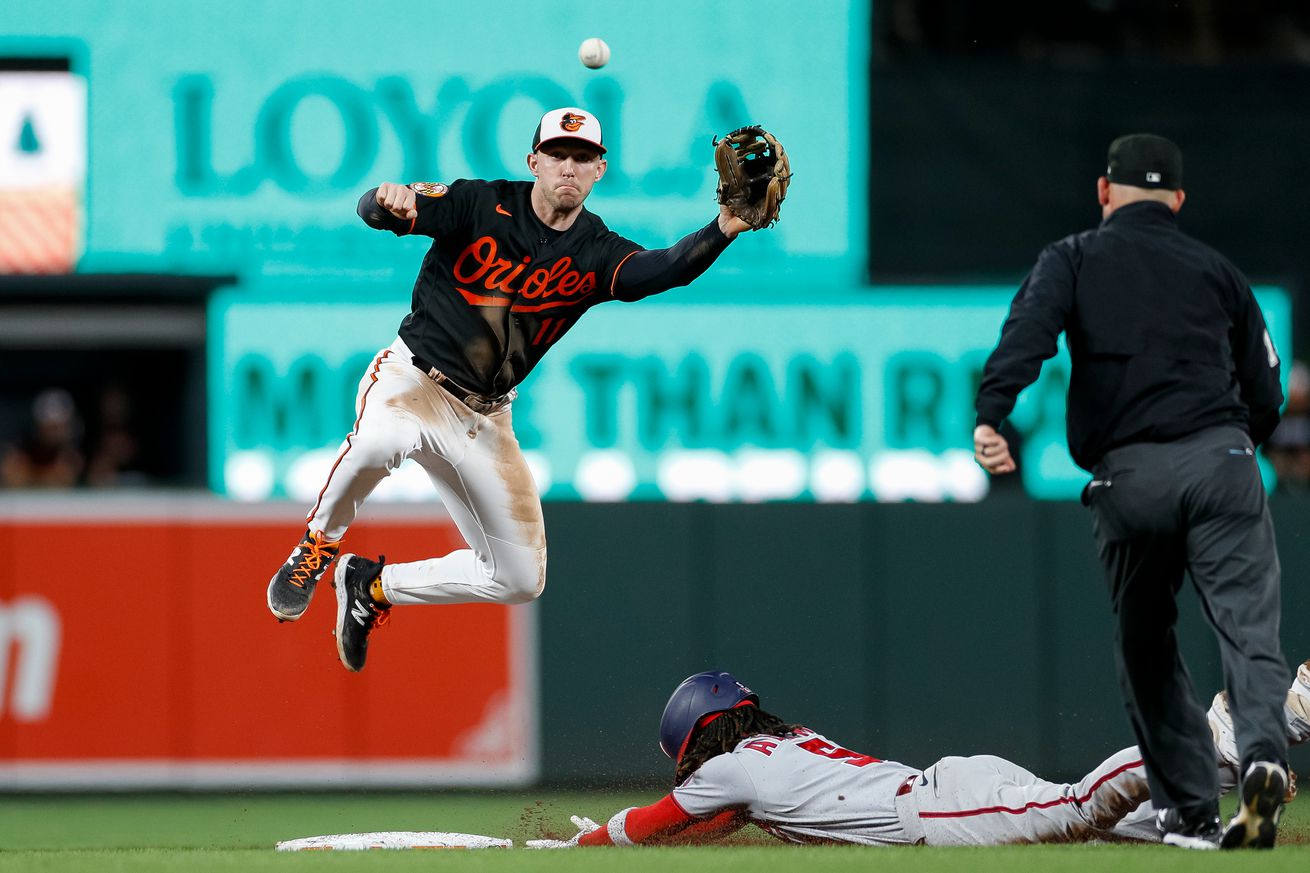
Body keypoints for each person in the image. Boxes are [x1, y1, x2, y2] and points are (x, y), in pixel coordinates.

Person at [266, 107, 758, 672]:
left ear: (600, 169)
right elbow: (376, 211)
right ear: (534, 162)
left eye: (581, 158)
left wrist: (723, 228)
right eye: (556, 155)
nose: (567, 168)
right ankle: (317, 547)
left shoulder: (595, 249)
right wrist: (384, 200)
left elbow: (665, 267)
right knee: (379, 443)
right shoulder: (480, 202)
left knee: (520, 578)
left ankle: (372, 587)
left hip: (485, 419)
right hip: (416, 381)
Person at [972, 133, 1290, 848]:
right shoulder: (1219, 270)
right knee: (1248, 632)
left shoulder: (1075, 256)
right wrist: (1228, 453)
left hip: (1130, 475)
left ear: (1104, 192)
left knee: (1147, 646)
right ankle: (1263, 755)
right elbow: (1266, 392)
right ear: (1178, 199)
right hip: (1223, 459)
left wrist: (993, 413)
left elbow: (1030, 334)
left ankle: (1191, 810)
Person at [524, 666, 1309, 849]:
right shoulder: (775, 744)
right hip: (947, 786)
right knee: (1113, 831)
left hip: (938, 809)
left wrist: (587, 841)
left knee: (1077, 806)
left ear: (698, 738)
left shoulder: (729, 770)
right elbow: (708, 824)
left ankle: (1211, 737)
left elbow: (660, 820)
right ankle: (1217, 812)